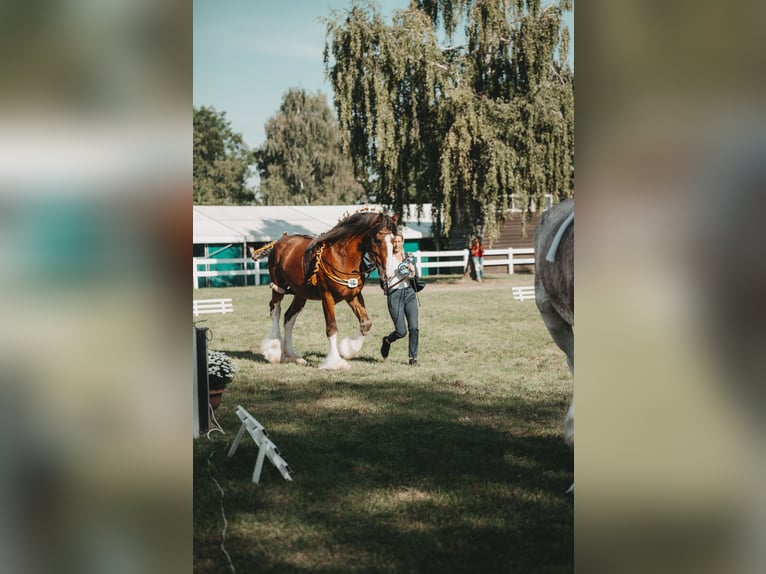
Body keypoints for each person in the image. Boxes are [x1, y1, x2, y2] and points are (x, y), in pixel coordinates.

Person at [381, 232, 420, 366]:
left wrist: (413, 271)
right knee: (401, 331)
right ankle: (387, 341)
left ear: (403, 241)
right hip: (394, 294)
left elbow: (416, 278)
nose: (396, 244)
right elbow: (383, 278)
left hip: (409, 293)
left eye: (399, 241)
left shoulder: (409, 257)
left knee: (414, 327)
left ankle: (413, 358)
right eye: (394, 242)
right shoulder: (387, 258)